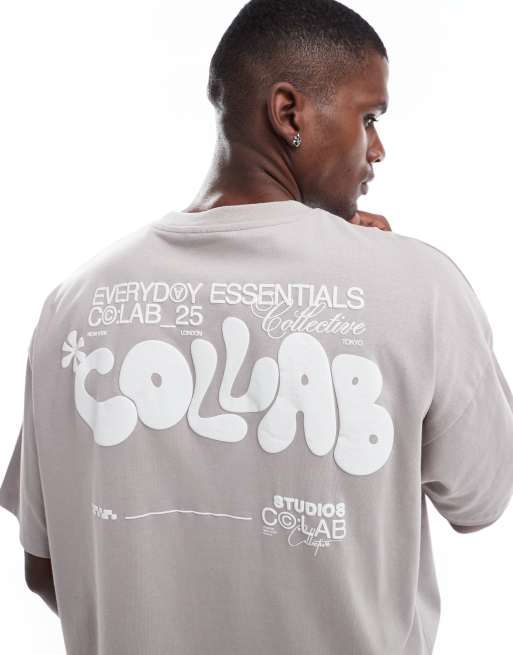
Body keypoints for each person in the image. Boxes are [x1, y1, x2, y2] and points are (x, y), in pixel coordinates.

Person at [1, 1, 513, 653]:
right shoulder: (419, 287)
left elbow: (47, 566)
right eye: (369, 118)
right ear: (289, 113)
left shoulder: (75, 305)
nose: (377, 150)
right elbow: (482, 495)